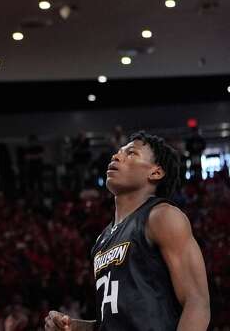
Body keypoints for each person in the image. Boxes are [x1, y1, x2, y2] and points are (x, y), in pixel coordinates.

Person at [44, 132, 210, 330]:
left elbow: (197, 303)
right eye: (117, 152)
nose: (116, 156)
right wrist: (75, 326)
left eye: (131, 153)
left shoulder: (162, 216)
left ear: (155, 172)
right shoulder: (102, 239)